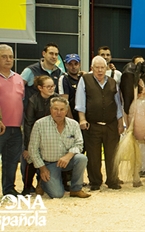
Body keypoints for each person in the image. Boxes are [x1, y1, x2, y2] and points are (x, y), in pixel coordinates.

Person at [75, 56, 124, 191]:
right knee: (93, 155)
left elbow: (118, 104)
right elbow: (80, 101)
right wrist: (82, 119)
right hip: (92, 124)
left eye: (103, 67)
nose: (100, 70)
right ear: (92, 68)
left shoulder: (113, 82)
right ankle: (95, 182)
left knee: (113, 155)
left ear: (106, 68)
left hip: (111, 124)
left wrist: (120, 123)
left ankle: (113, 180)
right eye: (97, 67)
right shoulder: (85, 80)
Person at [28, 96, 90, 198]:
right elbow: (33, 150)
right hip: (48, 163)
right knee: (57, 194)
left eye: (62, 109)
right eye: (55, 109)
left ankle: (76, 189)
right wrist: (43, 169)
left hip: (67, 161)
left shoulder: (73, 124)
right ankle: (42, 182)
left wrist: (68, 156)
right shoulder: (40, 124)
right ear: (50, 110)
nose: (58, 112)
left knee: (81, 158)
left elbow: (79, 144)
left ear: (66, 111)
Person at [22, 75, 60, 195]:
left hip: (52, 136)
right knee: (30, 159)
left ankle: (43, 184)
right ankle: (27, 187)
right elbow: (28, 123)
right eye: (48, 86)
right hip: (35, 135)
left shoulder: (56, 99)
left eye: (52, 86)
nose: (51, 88)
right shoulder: (33, 100)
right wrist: (28, 147)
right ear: (40, 88)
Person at [0, 44, 24, 196]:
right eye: (4, 57)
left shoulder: (19, 78)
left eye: (10, 56)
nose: (8, 60)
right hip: (0, 126)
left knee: (11, 162)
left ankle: (9, 190)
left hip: (16, 128)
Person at [20, 42, 62, 109]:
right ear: (44, 54)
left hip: (50, 113)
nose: (54, 57)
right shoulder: (30, 70)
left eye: (56, 54)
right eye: (51, 53)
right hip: (31, 113)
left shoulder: (59, 72)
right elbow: (17, 89)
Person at [59, 53, 84, 123]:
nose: (73, 67)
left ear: (79, 64)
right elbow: (65, 101)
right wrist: (71, 120)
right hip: (71, 116)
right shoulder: (64, 79)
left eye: (76, 64)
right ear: (66, 65)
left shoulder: (83, 78)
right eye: (70, 64)